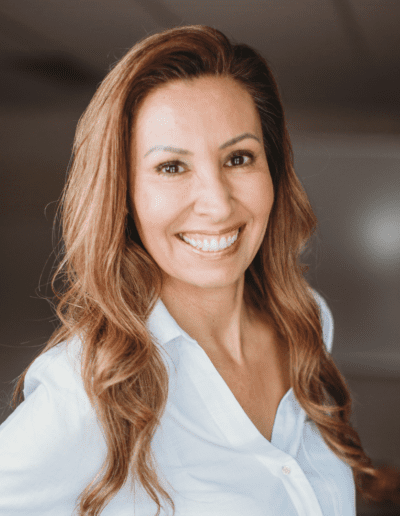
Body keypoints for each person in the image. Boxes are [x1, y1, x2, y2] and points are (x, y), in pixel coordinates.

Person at [0, 24, 397, 516]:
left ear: (272, 172)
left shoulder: (307, 320)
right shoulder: (88, 391)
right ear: (124, 195)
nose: (216, 203)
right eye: (172, 166)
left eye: (238, 158)